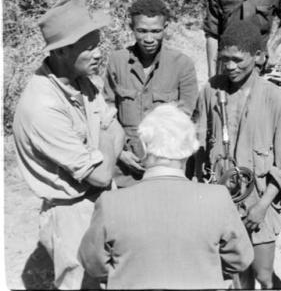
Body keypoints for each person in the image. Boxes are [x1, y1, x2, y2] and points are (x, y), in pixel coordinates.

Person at [13, 0, 124, 289]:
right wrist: (109, 140)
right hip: (70, 212)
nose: (99, 54)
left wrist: (107, 140)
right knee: (80, 282)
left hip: (96, 201)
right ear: (61, 51)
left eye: (98, 44)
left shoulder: (81, 80)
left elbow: (115, 127)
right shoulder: (43, 106)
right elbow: (101, 174)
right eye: (89, 47)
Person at [78, 103, 254, 289]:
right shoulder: (219, 198)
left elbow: (92, 263)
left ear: (144, 148)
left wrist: (124, 273)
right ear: (190, 150)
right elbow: (241, 259)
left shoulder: (111, 202)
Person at [195, 17, 281, 289]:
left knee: (264, 276)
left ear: (258, 57)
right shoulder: (210, 90)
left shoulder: (276, 99)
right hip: (220, 203)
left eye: (238, 59)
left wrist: (262, 206)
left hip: (259, 207)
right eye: (224, 58)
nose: (230, 66)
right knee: (235, 277)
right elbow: (200, 147)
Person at [103, 0, 198, 187]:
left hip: (167, 168)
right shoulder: (116, 61)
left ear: (166, 27)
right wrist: (120, 152)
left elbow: (185, 119)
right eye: (142, 31)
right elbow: (107, 114)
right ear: (131, 27)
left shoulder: (182, 65)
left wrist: (162, 160)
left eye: (155, 31)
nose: (148, 39)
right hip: (126, 170)